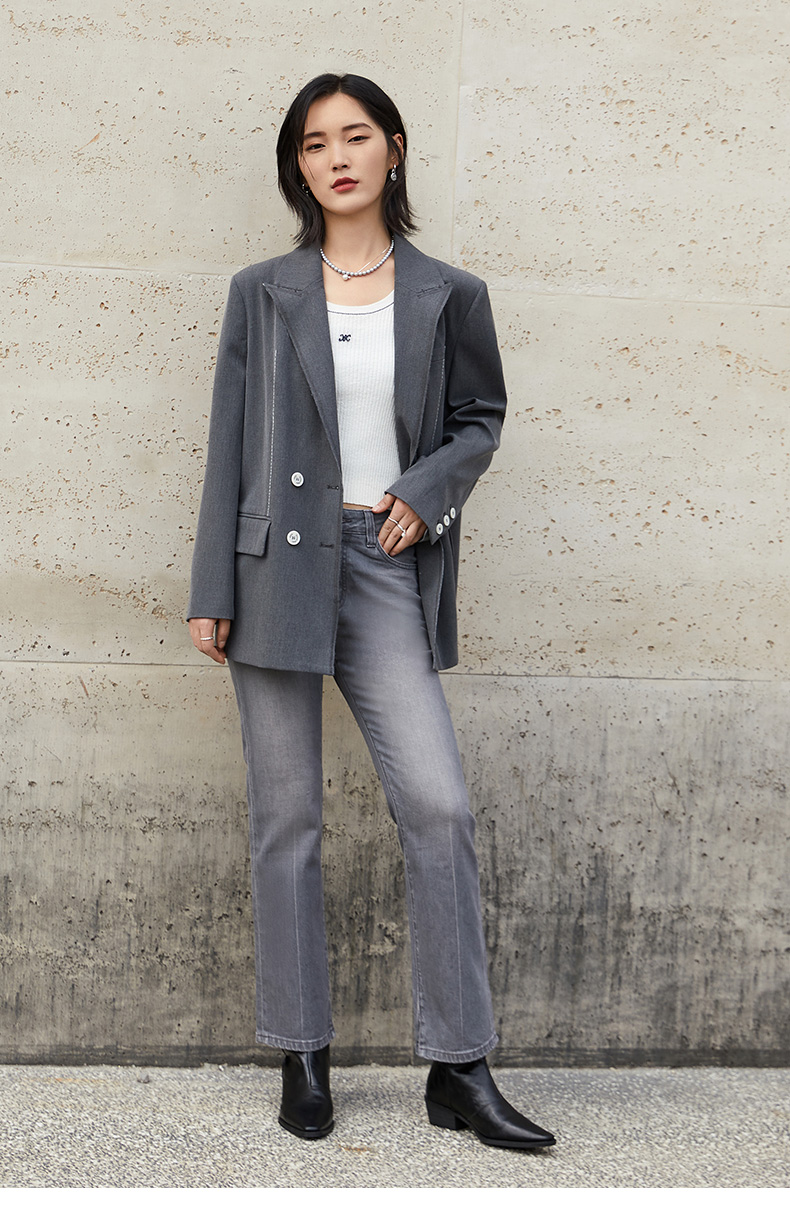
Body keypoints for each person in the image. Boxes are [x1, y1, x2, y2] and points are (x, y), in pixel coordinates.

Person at [187, 72, 555, 1152]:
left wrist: (424, 492)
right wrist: (212, 588)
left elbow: (479, 419)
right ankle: (302, 1053)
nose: (336, 157)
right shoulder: (262, 291)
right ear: (297, 167)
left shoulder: (450, 293)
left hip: (383, 560)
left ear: (393, 147)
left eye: (354, 136)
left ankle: (460, 1065)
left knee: (438, 808)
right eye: (313, 144)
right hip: (272, 571)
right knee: (287, 819)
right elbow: (228, 443)